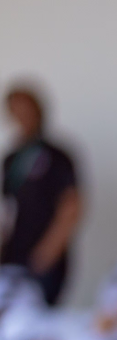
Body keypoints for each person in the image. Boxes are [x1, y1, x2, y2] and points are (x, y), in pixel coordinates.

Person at [1, 85, 82, 306]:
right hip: (12, 255)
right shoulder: (12, 159)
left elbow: (71, 206)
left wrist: (48, 252)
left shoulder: (57, 156)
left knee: (39, 315)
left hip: (43, 257)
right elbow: (7, 208)